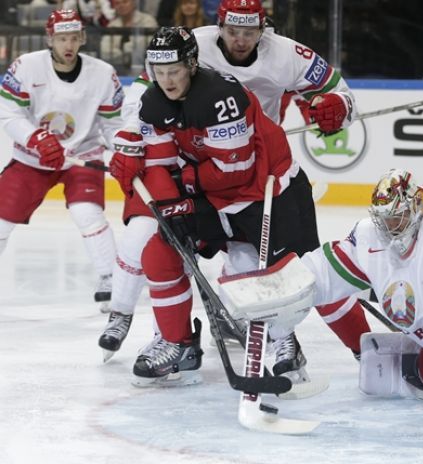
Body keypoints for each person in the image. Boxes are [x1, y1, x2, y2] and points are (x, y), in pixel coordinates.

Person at [99, 0, 371, 383]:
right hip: (208, 177)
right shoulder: (172, 69)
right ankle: (178, 342)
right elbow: (155, 142)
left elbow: (233, 171)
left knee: (294, 271)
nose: (167, 79)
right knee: (159, 251)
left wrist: (337, 106)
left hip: (262, 184)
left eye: (174, 71)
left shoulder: (228, 93)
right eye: (160, 72)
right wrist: (134, 145)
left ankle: (335, 343)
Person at [218, 168, 423, 443]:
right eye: (383, 220)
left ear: (417, 206)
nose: (390, 228)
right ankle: (418, 364)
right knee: (421, 377)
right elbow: (323, 272)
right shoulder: (370, 235)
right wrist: (274, 287)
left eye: (396, 218)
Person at [0, 9, 123, 311]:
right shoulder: (26, 66)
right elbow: (8, 111)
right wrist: (35, 138)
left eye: (73, 38)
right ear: (49, 39)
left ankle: (111, 277)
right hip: (31, 159)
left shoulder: (103, 73)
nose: (68, 45)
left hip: (82, 156)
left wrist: (122, 151)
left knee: (87, 213)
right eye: (61, 38)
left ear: (82, 38)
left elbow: (112, 124)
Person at [99, 0, 157, 67]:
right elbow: (104, 51)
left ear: (133, 3)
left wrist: (118, 54)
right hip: (117, 67)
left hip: (144, 67)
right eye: (117, 3)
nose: (121, 6)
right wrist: (126, 55)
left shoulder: (147, 21)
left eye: (125, 2)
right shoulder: (112, 25)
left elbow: (140, 48)